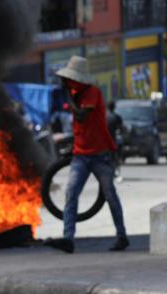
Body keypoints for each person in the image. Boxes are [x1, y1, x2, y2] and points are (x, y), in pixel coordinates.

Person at [55, 56, 129, 252]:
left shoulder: (92, 93)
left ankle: (122, 236)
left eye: (71, 80)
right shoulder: (74, 92)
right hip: (81, 155)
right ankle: (68, 238)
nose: (69, 83)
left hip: (101, 155)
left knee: (110, 195)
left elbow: (81, 115)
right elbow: (79, 127)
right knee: (71, 192)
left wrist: (67, 96)